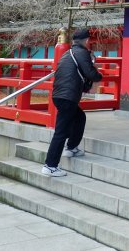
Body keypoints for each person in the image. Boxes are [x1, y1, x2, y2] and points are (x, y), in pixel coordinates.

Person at [42, 28, 102, 177]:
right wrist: (99, 75)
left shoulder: (67, 53)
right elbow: (90, 73)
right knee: (61, 132)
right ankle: (50, 165)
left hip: (59, 95)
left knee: (79, 117)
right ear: (87, 41)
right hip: (68, 97)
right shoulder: (82, 53)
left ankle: (72, 147)